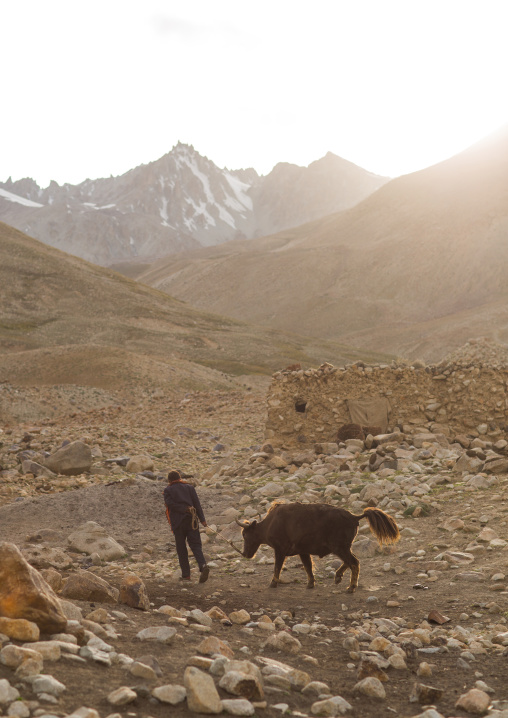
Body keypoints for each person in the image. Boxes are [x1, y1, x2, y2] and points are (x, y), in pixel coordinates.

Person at [163, 470, 209, 583]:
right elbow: (197, 504)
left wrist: (183, 509)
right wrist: (202, 520)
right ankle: (203, 566)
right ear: (180, 478)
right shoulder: (189, 487)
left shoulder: (168, 490)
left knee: (181, 548)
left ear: (169, 481)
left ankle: (186, 575)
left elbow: (170, 505)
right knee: (196, 545)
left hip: (178, 524)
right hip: (191, 520)